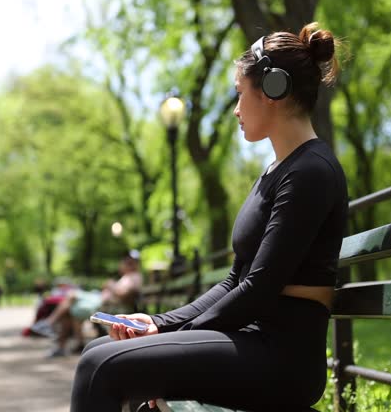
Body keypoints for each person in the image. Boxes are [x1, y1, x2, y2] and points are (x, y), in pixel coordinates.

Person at [70, 22, 348, 411]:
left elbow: (259, 290)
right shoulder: (277, 172)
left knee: (103, 367)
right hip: (249, 340)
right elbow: (236, 279)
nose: (236, 108)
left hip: (282, 359)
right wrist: (159, 323)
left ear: (272, 90)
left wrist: (168, 340)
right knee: (99, 352)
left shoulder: (311, 172)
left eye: (239, 93)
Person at [30, 252, 143, 357]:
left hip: (104, 305)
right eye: (126, 262)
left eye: (129, 262)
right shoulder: (129, 277)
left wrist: (110, 285)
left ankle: (50, 325)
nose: (124, 264)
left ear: (134, 264)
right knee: (70, 305)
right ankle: (61, 338)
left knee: (71, 296)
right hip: (101, 301)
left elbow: (122, 294)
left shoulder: (134, 277)